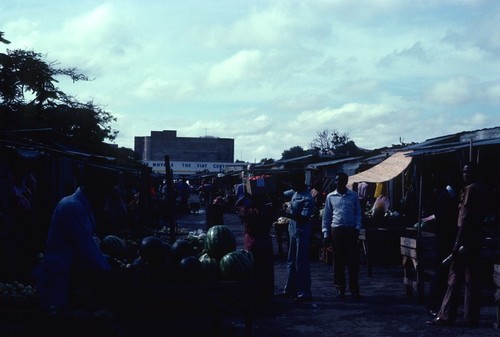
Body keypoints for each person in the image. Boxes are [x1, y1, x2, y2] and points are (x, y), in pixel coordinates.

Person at [33, 164, 112, 311]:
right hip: (59, 275)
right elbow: (85, 245)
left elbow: (90, 240)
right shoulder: (72, 207)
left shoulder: (83, 207)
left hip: (69, 274)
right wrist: (108, 268)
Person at [427, 162, 487, 327]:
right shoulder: (482, 189)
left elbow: (465, 220)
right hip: (475, 240)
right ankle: (471, 317)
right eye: (464, 172)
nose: (465, 174)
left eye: (468, 172)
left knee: (453, 279)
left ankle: (445, 315)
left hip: (464, 241)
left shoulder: (470, 190)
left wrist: (456, 244)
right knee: (471, 280)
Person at [322, 172, 362, 299]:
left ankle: (354, 289)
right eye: (337, 181)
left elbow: (358, 214)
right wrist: (326, 234)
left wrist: (357, 229)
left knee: (352, 261)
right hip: (336, 231)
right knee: (338, 261)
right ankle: (340, 288)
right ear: (335, 182)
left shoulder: (354, 196)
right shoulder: (330, 197)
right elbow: (326, 217)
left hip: (351, 231)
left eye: (342, 181)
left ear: (346, 182)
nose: (339, 183)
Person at [426, 175, 459, 316]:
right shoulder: (445, 196)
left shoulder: (447, 195)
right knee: (441, 273)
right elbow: (445, 221)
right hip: (444, 240)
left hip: (444, 240)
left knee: (443, 273)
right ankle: (433, 305)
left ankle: (438, 304)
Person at [236, 193, 275, 306]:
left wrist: (244, 196)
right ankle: (266, 295)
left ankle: (256, 295)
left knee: (254, 269)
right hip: (265, 242)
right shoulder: (267, 210)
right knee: (265, 269)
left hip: (252, 242)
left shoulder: (248, 211)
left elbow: (237, 207)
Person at [281, 171, 315, 301]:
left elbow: (304, 218)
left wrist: (286, 214)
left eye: (293, 183)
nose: (292, 186)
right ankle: (290, 289)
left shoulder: (307, 197)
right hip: (292, 232)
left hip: (302, 232)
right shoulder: (295, 192)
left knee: (301, 262)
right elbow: (282, 194)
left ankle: (304, 292)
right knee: (291, 261)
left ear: (300, 182)